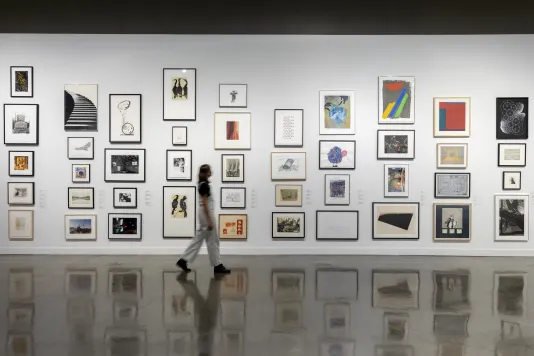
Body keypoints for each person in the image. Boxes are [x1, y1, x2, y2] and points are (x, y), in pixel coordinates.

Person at [177, 164, 231, 274]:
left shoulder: (202, 184)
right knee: (213, 240)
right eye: (210, 170)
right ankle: (217, 265)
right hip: (206, 213)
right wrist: (210, 220)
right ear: (206, 172)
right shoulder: (204, 185)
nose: (211, 172)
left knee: (199, 238)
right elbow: (205, 203)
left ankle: (184, 260)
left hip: (203, 213)